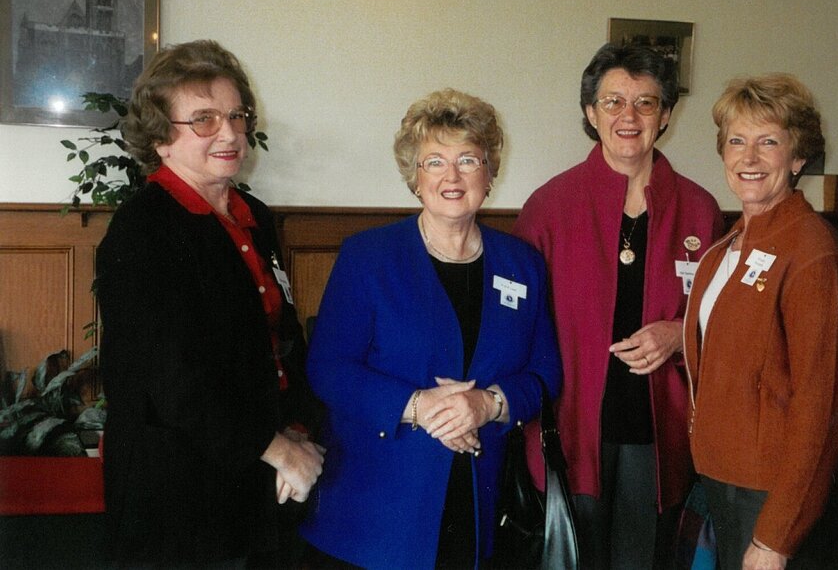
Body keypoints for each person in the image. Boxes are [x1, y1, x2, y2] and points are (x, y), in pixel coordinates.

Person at [298, 89, 562, 569]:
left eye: (468, 159)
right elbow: (328, 368)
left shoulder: (522, 264)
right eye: (434, 162)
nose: (452, 176)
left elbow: (545, 374)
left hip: (481, 502)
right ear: (414, 178)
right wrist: (419, 407)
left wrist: (488, 404)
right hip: (376, 509)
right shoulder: (369, 257)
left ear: (490, 171)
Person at [95, 40, 325, 567]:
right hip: (181, 496)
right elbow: (173, 384)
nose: (229, 133)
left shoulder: (255, 216)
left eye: (236, 116)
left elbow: (280, 340)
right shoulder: (142, 232)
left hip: (258, 476)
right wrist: (280, 449)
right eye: (203, 119)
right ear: (160, 139)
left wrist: (298, 431)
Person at [513, 43, 723, 568]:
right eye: (613, 102)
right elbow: (518, 326)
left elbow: (723, 320)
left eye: (646, 103)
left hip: (660, 430)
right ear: (590, 113)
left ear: (667, 115)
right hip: (573, 425)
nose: (629, 116)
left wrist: (680, 333)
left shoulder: (700, 209)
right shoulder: (549, 207)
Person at [682, 74, 838, 570]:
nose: (749, 158)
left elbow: (821, 410)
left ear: (798, 158)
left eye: (768, 142)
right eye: (736, 141)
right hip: (718, 478)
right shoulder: (728, 245)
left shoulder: (811, 253)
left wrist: (777, 536)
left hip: (770, 494)